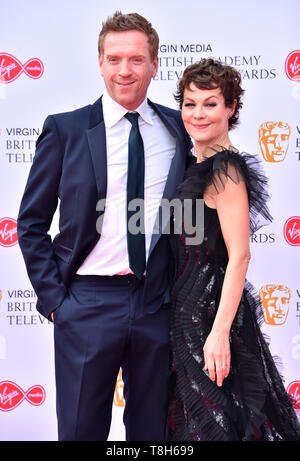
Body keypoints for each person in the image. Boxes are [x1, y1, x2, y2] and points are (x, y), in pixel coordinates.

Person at [17, 11, 191, 441]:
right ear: (99, 63)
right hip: (87, 303)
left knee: (155, 434)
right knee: (80, 431)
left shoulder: (180, 128)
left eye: (136, 59)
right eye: (114, 59)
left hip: (157, 304)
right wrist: (57, 300)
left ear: (154, 64)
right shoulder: (67, 130)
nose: (124, 70)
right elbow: (31, 222)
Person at [167, 58, 300, 441]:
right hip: (186, 318)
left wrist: (219, 332)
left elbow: (239, 255)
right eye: (190, 104)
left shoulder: (226, 170)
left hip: (211, 321)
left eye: (210, 103)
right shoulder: (197, 166)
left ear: (231, 108)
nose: (198, 113)